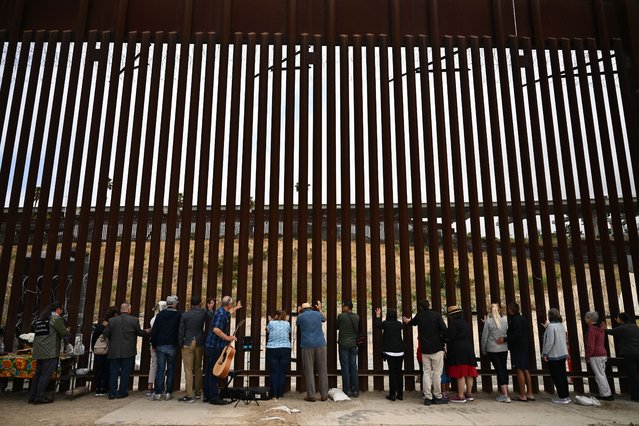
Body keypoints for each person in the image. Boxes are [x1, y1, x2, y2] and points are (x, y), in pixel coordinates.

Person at [403, 299, 448, 405]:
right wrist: (444, 340)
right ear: (429, 305)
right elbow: (444, 329)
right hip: (437, 348)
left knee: (426, 373)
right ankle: (437, 396)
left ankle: (427, 397)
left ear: (420, 307)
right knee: (437, 373)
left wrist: (407, 320)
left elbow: (411, 323)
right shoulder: (436, 315)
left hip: (425, 349)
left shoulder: (419, 316)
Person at [103, 302, 148, 400]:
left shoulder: (112, 320)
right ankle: (122, 392)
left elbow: (106, 333)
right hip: (128, 351)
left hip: (114, 351)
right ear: (129, 309)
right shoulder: (134, 320)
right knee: (125, 372)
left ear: (121, 310)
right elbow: (139, 333)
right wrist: (147, 331)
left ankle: (112, 393)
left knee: (113, 373)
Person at [29, 302, 69, 404]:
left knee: (37, 374)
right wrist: (67, 330)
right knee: (45, 375)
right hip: (50, 351)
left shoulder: (41, 319)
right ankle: (39, 397)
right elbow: (63, 332)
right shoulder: (56, 319)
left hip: (39, 350)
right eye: (61, 309)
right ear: (57, 310)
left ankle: (32, 396)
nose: (62, 311)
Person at [204, 296, 242, 405]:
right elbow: (216, 329)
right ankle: (214, 398)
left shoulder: (222, 311)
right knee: (214, 371)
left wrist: (237, 307)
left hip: (212, 345)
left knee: (209, 371)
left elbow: (229, 312)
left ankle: (208, 395)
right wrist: (228, 338)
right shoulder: (220, 315)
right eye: (231, 304)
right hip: (214, 346)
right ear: (228, 304)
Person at [497, 302, 534, 401]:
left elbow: (516, 335)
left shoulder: (515, 321)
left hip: (517, 348)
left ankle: (522, 395)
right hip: (524, 346)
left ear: (511, 310)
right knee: (526, 369)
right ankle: (530, 393)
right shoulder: (523, 318)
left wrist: (505, 339)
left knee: (519, 370)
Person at [151, 295, 181, 401]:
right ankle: (168, 392)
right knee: (171, 369)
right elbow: (180, 330)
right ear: (174, 303)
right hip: (172, 344)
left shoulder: (160, 315)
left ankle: (158, 392)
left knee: (160, 369)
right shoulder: (178, 315)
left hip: (160, 345)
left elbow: (154, 331)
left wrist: (153, 344)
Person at [296, 300, 328, 402]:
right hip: (320, 344)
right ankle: (324, 395)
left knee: (309, 370)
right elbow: (325, 318)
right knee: (322, 370)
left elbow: (297, 323)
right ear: (311, 307)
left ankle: (311, 395)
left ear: (302, 309)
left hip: (307, 345)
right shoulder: (318, 314)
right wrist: (320, 309)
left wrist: (299, 313)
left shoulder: (300, 317)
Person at [445, 305, 478, 403]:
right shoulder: (465, 323)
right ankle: (469, 393)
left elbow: (450, 338)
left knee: (461, 373)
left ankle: (460, 395)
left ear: (452, 316)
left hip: (459, 350)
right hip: (469, 349)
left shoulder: (454, 324)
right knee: (469, 372)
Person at [178, 295, 207, 403]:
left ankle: (189, 395)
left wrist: (181, 343)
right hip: (199, 341)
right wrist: (210, 308)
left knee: (188, 370)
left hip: (188, 342)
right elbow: (210, 315)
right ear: (200, 303)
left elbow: (181, 331)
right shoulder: (203, 312)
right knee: (198, 368)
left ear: (190, 304)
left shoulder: (185, 315)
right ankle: (198, 392)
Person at [605, 312, 639, 401]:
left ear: (621, 319)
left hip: (629, 354)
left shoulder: (622, 328)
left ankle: (636, 396)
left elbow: (611, 331)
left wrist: (604, 329)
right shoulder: (634, 326)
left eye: (618, 318)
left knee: (633, 375)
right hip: (637, 353)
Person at [481, 303, 510, 403]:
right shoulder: (504, 321)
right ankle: (506, 391)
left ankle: (505, 395)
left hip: (492, 349)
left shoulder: (488, 322)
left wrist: (483, 349)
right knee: (503, 369)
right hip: (503, 348)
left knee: (499, 370)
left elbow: (484, 337)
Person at [374, 307, 403, 401]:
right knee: (399, 373)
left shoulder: (386, 324)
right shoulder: (399, 324)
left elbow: (377, 325)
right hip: (400, 351)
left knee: (392, 373)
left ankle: (392, 395)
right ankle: (400, 394)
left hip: (390, 352)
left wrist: (378, 315)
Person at [542, 308, 570, 404]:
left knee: (556, 376)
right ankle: (566, 396)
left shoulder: (551, 327)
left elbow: (549, 342)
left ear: (550, 316)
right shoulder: (561, 325)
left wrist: (545, 353)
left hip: (554, 354)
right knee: (562, 375)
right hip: (562, 353)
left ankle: (562, 397)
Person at [584, 311, 613, 401]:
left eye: (586, 317)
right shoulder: (600, 328)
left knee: (599, 375)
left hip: (595, 355)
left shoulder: (591, 329)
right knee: (602, 374)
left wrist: (587, 356)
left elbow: (590, 345)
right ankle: (606, 393)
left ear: (590, 319)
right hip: (602, 353)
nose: (585, 319)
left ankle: (606, 394)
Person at [91, 306, 119, 397]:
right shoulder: (111, 326)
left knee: (98, 370)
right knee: (107, 370)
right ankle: (104, 388)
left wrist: (94, 349)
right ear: (114, 315)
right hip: (108, 351)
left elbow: (94, 339)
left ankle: (98, 389)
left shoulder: (100, 326)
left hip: (99, 351)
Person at [336, 300, 360, 397]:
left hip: (343, 344)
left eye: (343, 306)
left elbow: (337, 326)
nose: (342, 308)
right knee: (353, 367)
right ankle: (355, 390)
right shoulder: (357, 317)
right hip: (353, 344)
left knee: (345, 367)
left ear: (346, 307)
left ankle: (346, 390)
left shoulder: (341, 316)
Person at [266, 310, 291, 399]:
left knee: (274, 372)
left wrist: (270, 321)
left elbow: (267, 331)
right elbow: (288, 331)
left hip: (272, 348)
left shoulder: (271, 323)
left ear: (276, 316)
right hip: (285, 348)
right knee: (282, 372)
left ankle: (274, 394)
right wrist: (286, 321)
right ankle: (280, 394)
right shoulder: (287, 324)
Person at [147, 301, 166, 396]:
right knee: (162, 365)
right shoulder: (163, 318)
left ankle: (150, 386)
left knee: (154, 364)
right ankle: (161, 386)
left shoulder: (153, 319)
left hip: (154, 344)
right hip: (161, 344)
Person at [202, 298, 216, 402]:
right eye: (211, 303)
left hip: (207, 343)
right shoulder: (208, 314)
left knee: (207, 368)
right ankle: (209, 393)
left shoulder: (211, 313)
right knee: (209, 369)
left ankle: (207, 393)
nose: (213, 304)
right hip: (209, 343)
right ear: (207, 304)